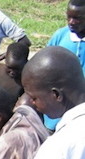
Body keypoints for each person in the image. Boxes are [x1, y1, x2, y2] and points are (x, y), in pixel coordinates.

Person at [43, 0, 85, 131]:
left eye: (77, 18)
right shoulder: (61, 36)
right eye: (69, 16)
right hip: (54, 114)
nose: (71, 21)